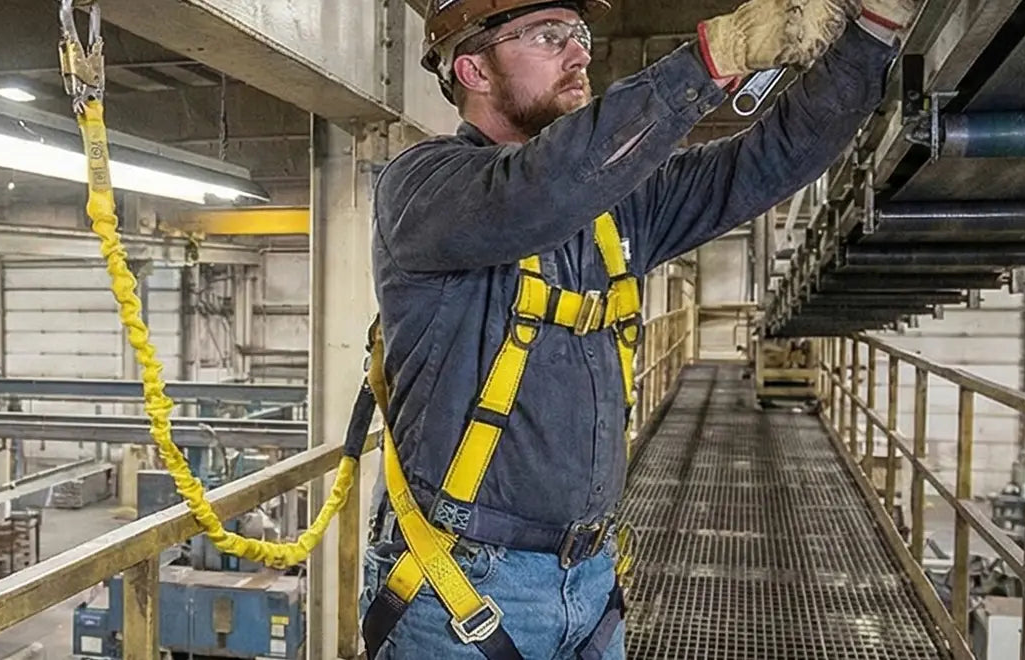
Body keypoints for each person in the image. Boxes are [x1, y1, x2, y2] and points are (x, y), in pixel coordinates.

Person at [356, 0, 917, 657]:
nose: (579, 52)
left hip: (591, 582)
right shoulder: (422, 191)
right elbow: (539, 189)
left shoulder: (617, 211)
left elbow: (770, 159)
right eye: (547, 36)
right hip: (457, 589)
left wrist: (872, 34)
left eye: (579, 34)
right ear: (474, 70)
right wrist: (715, 57)